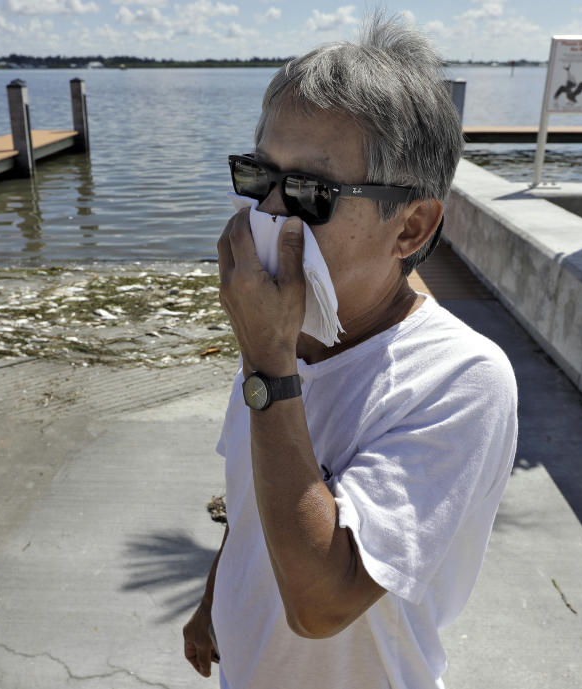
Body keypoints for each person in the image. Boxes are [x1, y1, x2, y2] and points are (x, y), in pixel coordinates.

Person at [183, 12, 518, 689]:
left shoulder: (459, 378)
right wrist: (213, 599)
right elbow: (249, 495)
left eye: (311, 191)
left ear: (411, 225)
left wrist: (267, 366)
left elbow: (322, 603)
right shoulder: (284, 335)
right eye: (258, 176)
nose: (272, 210)